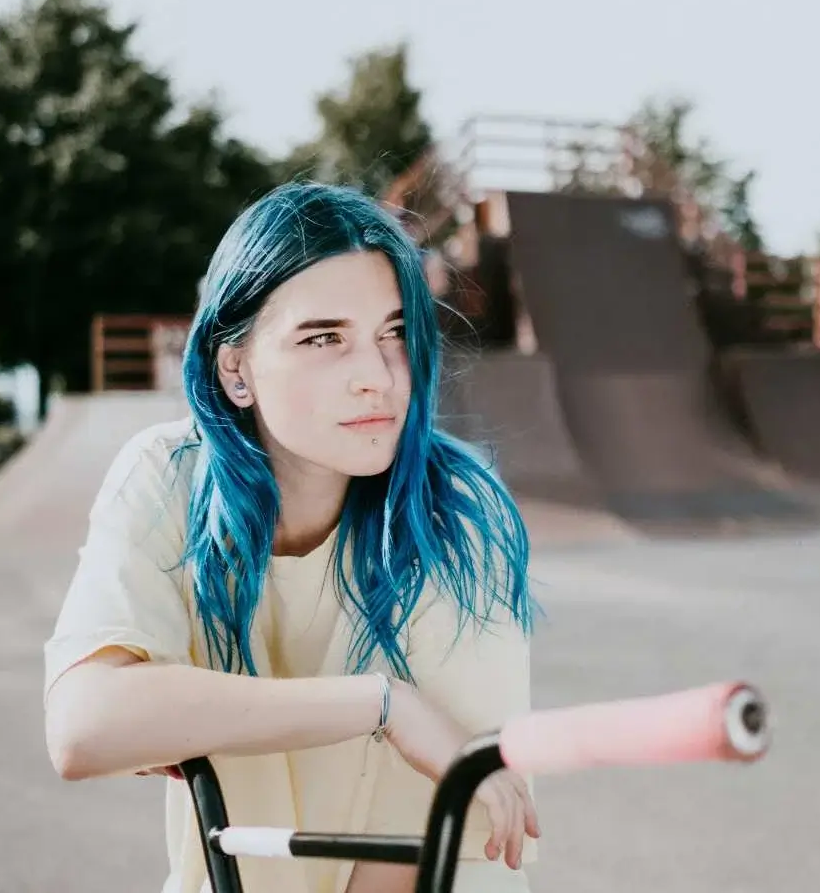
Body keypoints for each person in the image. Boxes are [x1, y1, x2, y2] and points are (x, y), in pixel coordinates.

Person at [42, 182, 542, 893]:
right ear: (236, 369)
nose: (376, 377)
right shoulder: (168, 477)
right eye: (323, 338)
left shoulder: (455, 522)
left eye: (395, 333)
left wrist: (181, 709)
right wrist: (381, 704)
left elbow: (442, 842)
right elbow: (84, 725)